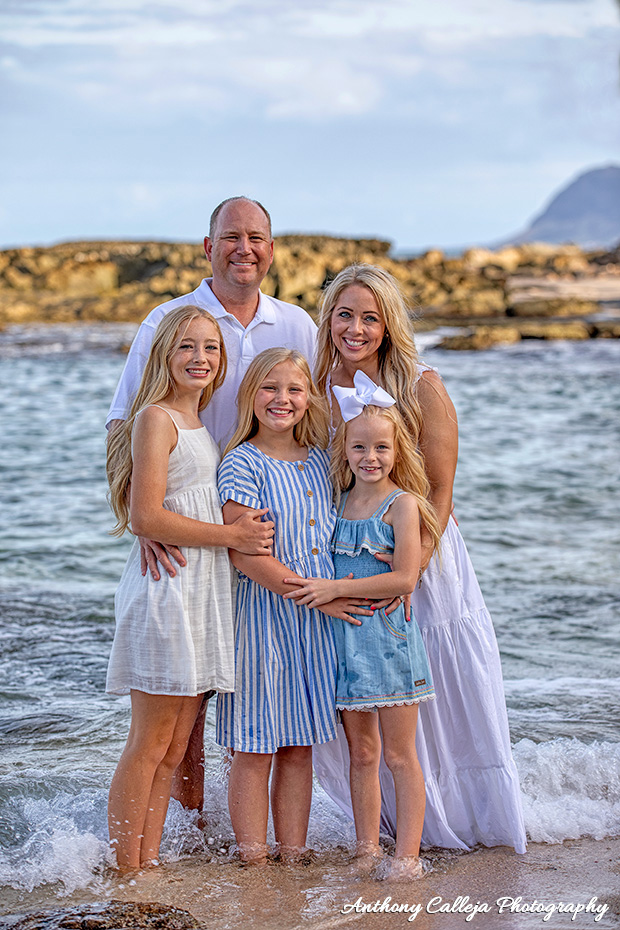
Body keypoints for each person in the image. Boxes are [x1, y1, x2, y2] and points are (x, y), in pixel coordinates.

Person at [106, 196, 316, 810]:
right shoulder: (170, 321)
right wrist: (144, 518)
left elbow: (325, 419)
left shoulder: (297, 324)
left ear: (272, 250)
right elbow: (124, 422)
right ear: (208, 247)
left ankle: (235, 830)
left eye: (256, 237)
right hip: (188, 534)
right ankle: (185, 834)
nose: (243, 248)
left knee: (253, 689)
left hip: (262, 533)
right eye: (231, 237)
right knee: (182, 712)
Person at [312, 263, 527, 854]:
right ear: (328, 317)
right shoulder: (311, 382)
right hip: (348, 552)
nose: (356, 328)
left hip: (418, 550)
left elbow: (439, 490)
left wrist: (412, 573)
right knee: (359, 697)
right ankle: (375, 834)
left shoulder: (422, 383)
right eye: (345, 314)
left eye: (371, 317)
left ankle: (461, 820)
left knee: (435, 684)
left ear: (389, 323)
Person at [105, 305, 275, 871]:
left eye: (210, 348)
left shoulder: (203, 425)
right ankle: (124, 871)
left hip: (199, 592)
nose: (200, 358)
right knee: (150, 744)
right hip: (165, 589)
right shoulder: (157, 418)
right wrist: (232, 535)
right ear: (164, 356)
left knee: (176, 748)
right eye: (186, 347)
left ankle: (147, 864)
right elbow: (147, 515)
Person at [215, 348, 372, 864]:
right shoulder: (243, 462)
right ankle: (253, 858)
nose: (282, 399)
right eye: (269, 388)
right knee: (257, 745)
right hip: (266, 621)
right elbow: (245, 555)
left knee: (299, 745)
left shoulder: (318, 463)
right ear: (250, 395)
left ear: (310, 400)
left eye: (294, 390)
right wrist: (318, 598)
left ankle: (294, 854)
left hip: (315, 627)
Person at [282, 374, 442, 880]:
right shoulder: (339, 504)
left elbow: (404, 577)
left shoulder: (404, 505)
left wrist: (330, 590)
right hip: (346, 641)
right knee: (363, 753)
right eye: (358, 447)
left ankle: (408, 855)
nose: (369, 457)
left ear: (398, 450)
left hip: (391, 640)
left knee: (399, 755)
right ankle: (366, 847)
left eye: (380, 447)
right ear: (344, 451)